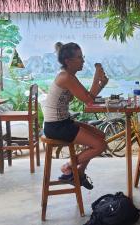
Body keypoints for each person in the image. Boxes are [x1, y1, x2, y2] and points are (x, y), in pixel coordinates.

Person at [42, 42, 109, 190]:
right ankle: (68, 168)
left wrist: (101, 83)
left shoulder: (69, 76)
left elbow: (87, 97)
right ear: (68, 61)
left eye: (82, 57)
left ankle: (78, 172)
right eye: (79, 57)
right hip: (56, 127)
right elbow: (88, 100)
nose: (83, 61)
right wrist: (97, 77)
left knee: (100, 136)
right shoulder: (66, 77)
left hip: (64, 122)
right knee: (100, 145)